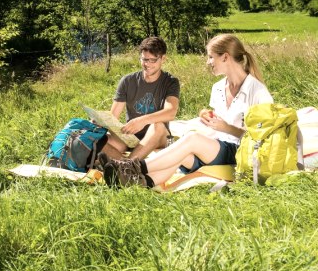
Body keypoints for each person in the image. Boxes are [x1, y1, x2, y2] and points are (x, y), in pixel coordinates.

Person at [102, 33, 274, 188]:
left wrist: (226, 127)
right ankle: (140, 182)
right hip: (216, 147)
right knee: (179, 153)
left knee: (192, 139)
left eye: (211, 57)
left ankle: (131, 167)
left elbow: (262, 140)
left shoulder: (257, 91)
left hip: (239, 150)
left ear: (225, 57)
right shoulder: (218, 88)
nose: (208, 62)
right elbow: (217, 125)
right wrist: (207, 118)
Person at [99, 36, 180, 161]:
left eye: (152, 60)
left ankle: (128, 166)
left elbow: (171, 112)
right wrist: (101, 122)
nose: (147, 64)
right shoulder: (127, 81)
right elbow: (113, 116)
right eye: (144, 59)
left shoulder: (170, 82)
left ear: (163, 58)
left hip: (158, 136)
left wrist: (142, 121)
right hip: (131, 137)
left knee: (157, 126)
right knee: (97, 140)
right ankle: (124, 163)